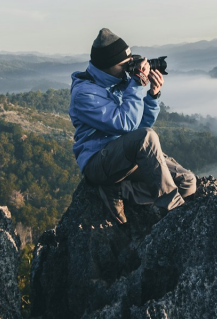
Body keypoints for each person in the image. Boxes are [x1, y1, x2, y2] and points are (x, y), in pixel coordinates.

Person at [69, 28, 196, 225]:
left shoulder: (120, 81)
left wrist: (152, 96)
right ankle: (173, 212)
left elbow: (139, 127)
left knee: (187, 183)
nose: (129, 68)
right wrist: (136, 84)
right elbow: (126, 125)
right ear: (107, 65)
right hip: (98, 162)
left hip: (125, 157)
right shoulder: (85, 94)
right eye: (124, 65)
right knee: (147, 137)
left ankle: (120, 190)